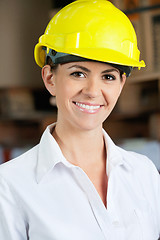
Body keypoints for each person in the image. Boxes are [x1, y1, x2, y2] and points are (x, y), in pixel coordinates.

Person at [0, 0, 160, 239]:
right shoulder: (10, 184)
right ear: (50, 79)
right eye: (78, 73)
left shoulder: (144, 173)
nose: (93, 91)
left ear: (121, 84)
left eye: (108, 76)